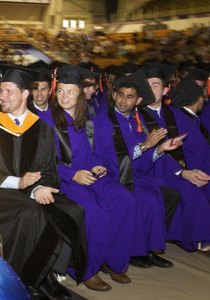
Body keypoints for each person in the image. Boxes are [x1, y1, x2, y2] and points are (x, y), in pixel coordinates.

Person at [0, 65, 88, 300]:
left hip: (28, 191)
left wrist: (38, 187)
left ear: (25, 94)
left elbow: (49, 168)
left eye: (8, 91)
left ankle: (48, 271)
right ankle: (26, 278)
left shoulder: (42, 128)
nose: (2, 97)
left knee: (73, 210)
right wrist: (18, 183)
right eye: (0, 92)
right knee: (30, 212)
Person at [39, 66, 137, 292]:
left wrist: (96, 165)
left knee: (124, 200)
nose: (65, 96)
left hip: (90, 175)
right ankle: (88, 268)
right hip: (63, 180)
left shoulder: (88, 120)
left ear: (81, 94)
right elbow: (44, 161)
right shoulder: (45, 121)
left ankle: (113, 261)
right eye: (61, 91)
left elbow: (98, 151)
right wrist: (73, 174)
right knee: (92, 211)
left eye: (71, 92)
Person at [140, 69, 210, 257]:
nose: (151, 90)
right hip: (158, 171)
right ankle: (201, 241)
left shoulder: (177, 115)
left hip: (190, 167)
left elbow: (198, 146)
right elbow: (147, 154)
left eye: (156, 85)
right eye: (147, 85)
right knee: (193, 195)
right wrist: (183, 173)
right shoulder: (137, 117)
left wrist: (199, 168)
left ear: (166, 90)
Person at [100, 71, 182, 269]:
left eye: (129, 97)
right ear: (114, 95)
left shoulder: (136, 122)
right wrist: (145, 145)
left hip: (134, 176)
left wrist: (160, 148)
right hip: (113, 177)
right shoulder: (104, 121)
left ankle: (147, 247)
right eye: (120, 95)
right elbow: (113, 160)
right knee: (149, 199)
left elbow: (142, 164)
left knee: (171, 195)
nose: (123, 100)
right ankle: (136, 252)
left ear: (138, 101)